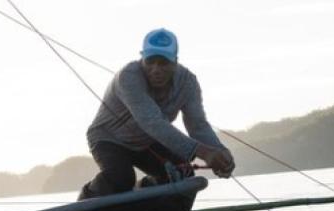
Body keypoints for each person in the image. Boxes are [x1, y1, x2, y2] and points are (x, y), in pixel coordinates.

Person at [78, 28, 235, 200]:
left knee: (182, 173)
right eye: (150, 61)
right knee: (121, 178)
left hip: (146, 141)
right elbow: (152, 122)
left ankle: (144, 197)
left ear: (175, 62)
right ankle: (82, 204)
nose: (156, 69)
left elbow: (197, 125)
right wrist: (205, 153)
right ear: (142, 58)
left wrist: (220, 152)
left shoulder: (188, 82)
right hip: (108, 138)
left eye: (163, 63)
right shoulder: (128, 77)